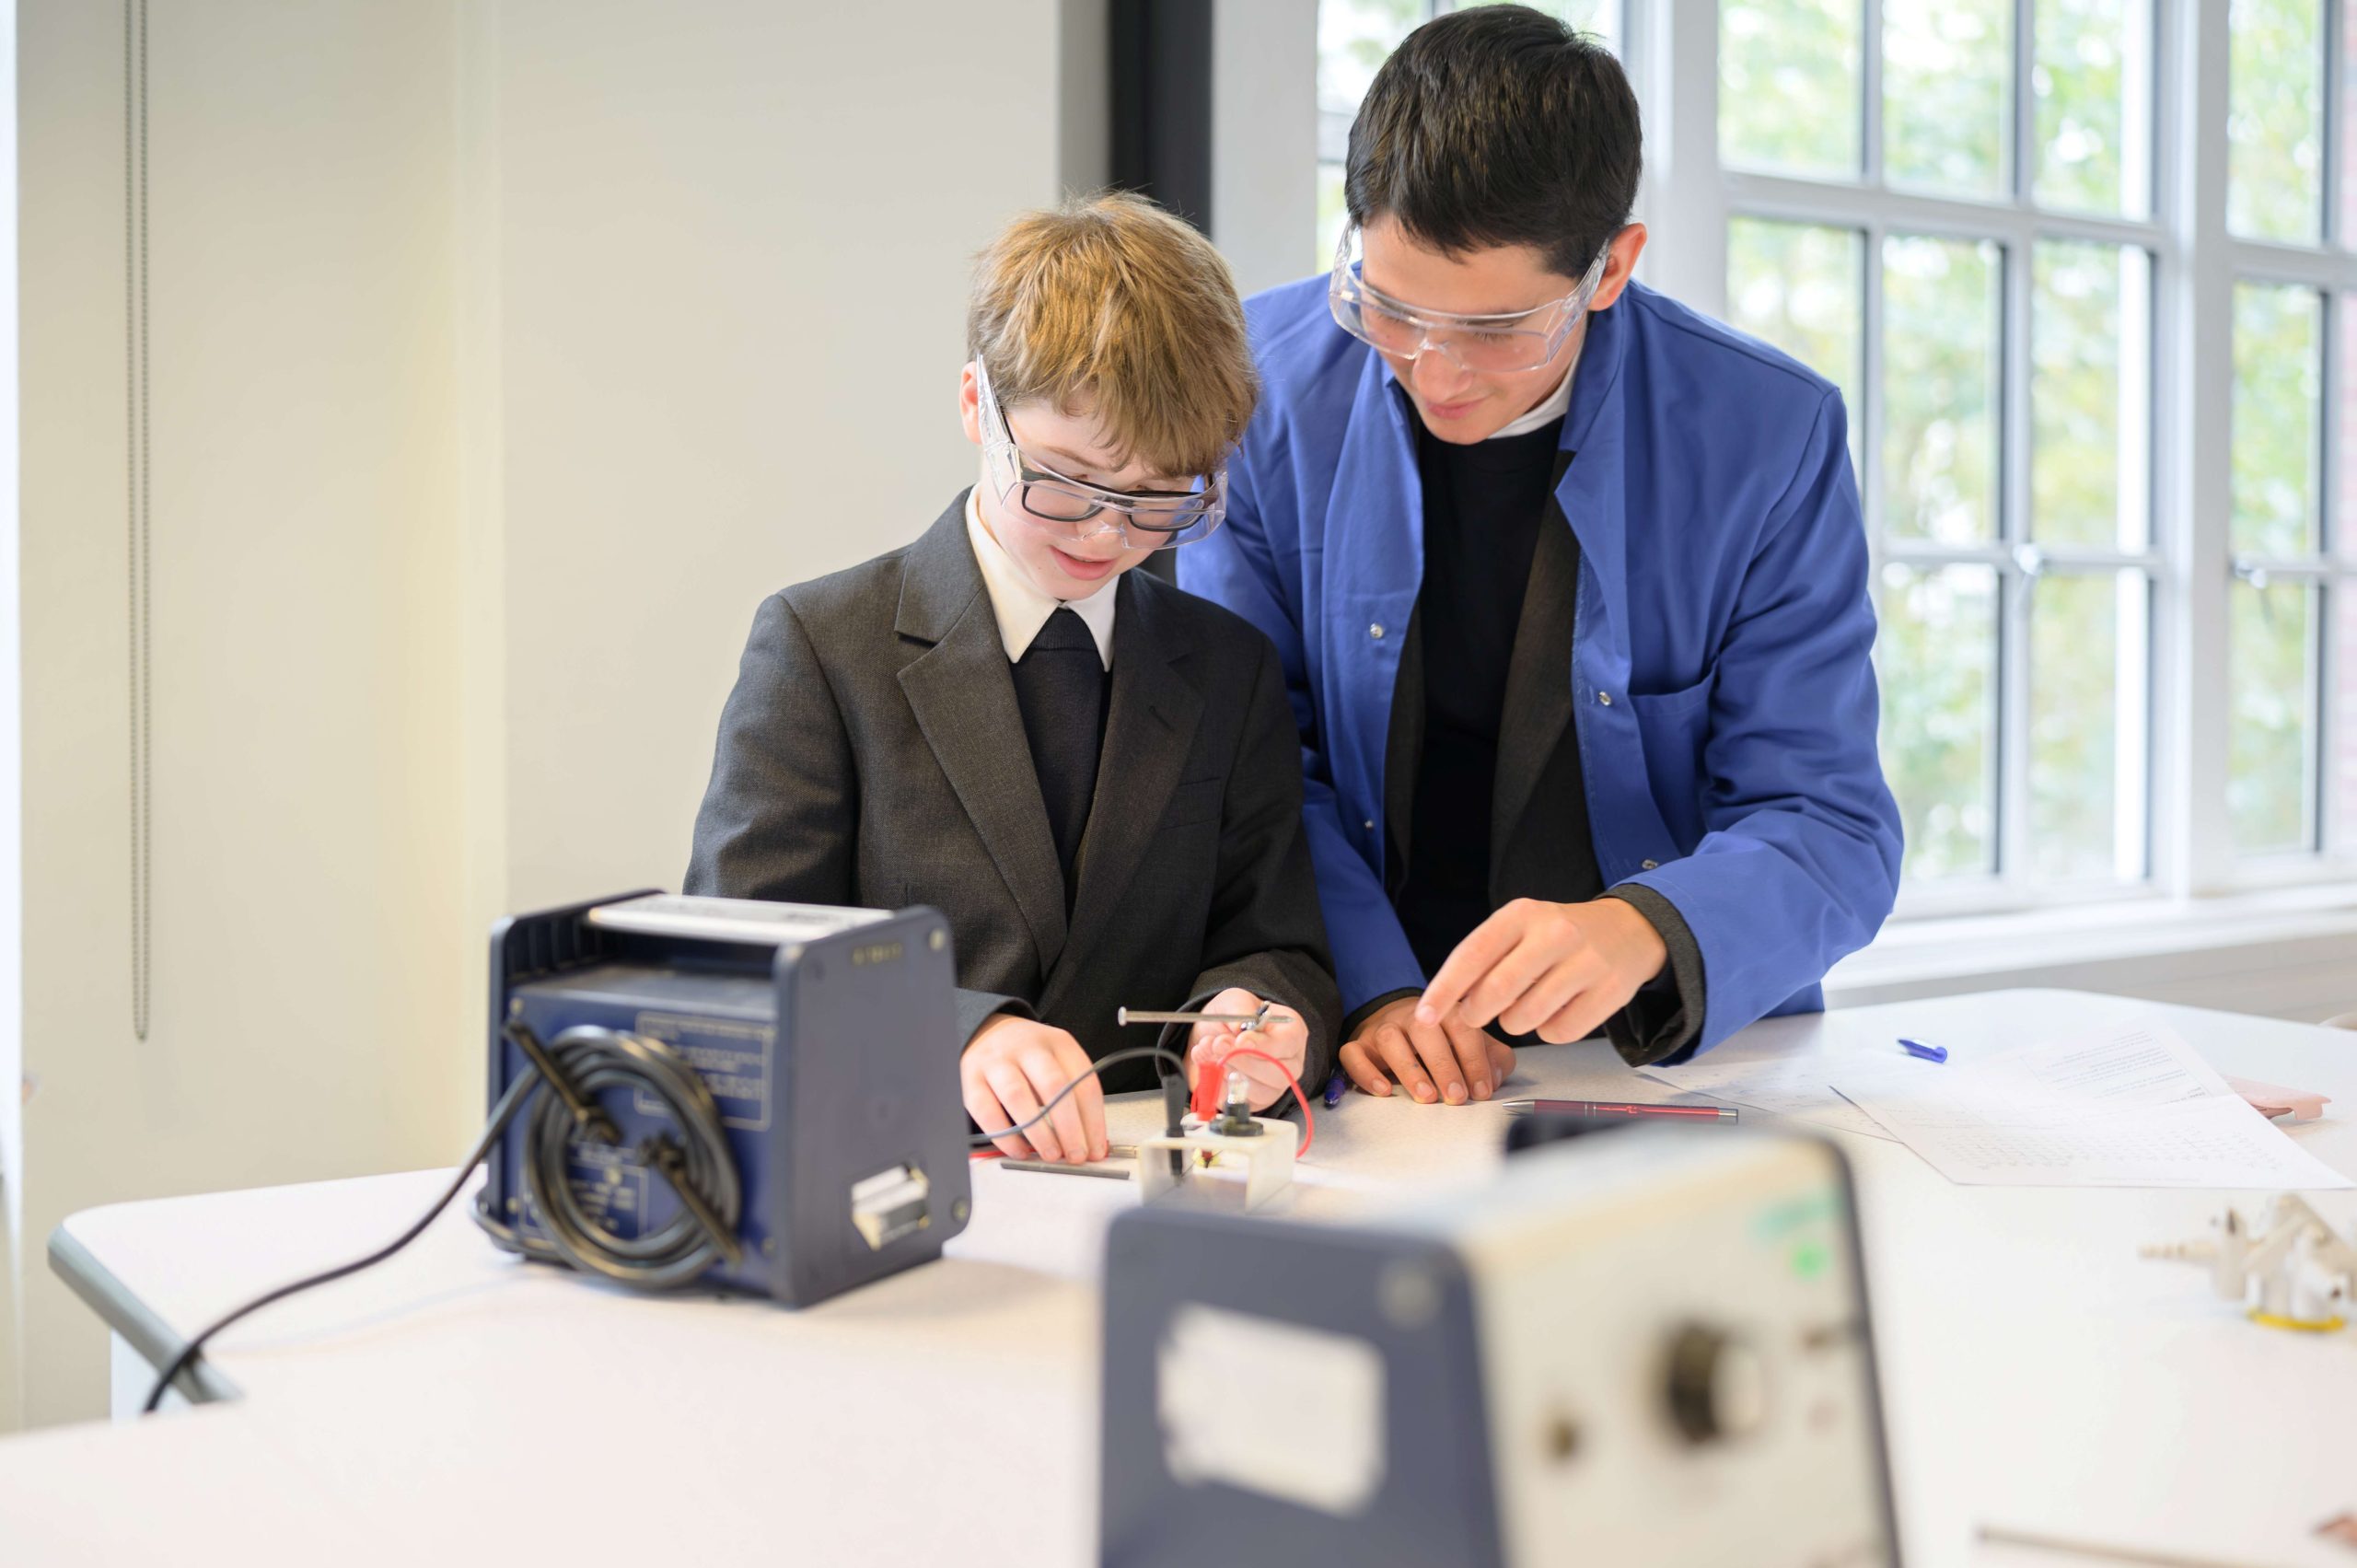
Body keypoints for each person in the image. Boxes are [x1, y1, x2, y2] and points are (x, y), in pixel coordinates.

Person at [1180, 6, 1901, 1107]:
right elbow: (1254, 771)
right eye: (1387, 307)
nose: (1436, 371)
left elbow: (1829, 822)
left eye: (1495, 330)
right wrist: (1367, 989)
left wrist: (1646, 924)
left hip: (1669, 1061)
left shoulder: (1767, 434)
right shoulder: (1257, 390)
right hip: (1369, 1052)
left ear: (1611, 268)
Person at [686, 192, 1339, 1163]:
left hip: (1154, 1177)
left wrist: (1257, 1009)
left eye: (1162, 499)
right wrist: (953, 1029)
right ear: (973, 407)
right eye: (1067, 482)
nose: (1108, 533)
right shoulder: (824, 646)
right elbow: (733, 959)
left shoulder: (1227, 665)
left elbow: (1277, 937)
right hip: (891, 1179)